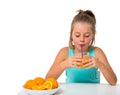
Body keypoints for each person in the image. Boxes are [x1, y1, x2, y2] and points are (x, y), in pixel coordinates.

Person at [45, 9, 117, 85]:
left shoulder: (97, 52)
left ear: (93, 35)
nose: (82, 39)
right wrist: (64, 64)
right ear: (71, 35)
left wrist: (100, 65)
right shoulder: (64, 52)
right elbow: (47, 79)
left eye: (86, 35)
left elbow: (113, 81)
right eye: (77, 35)